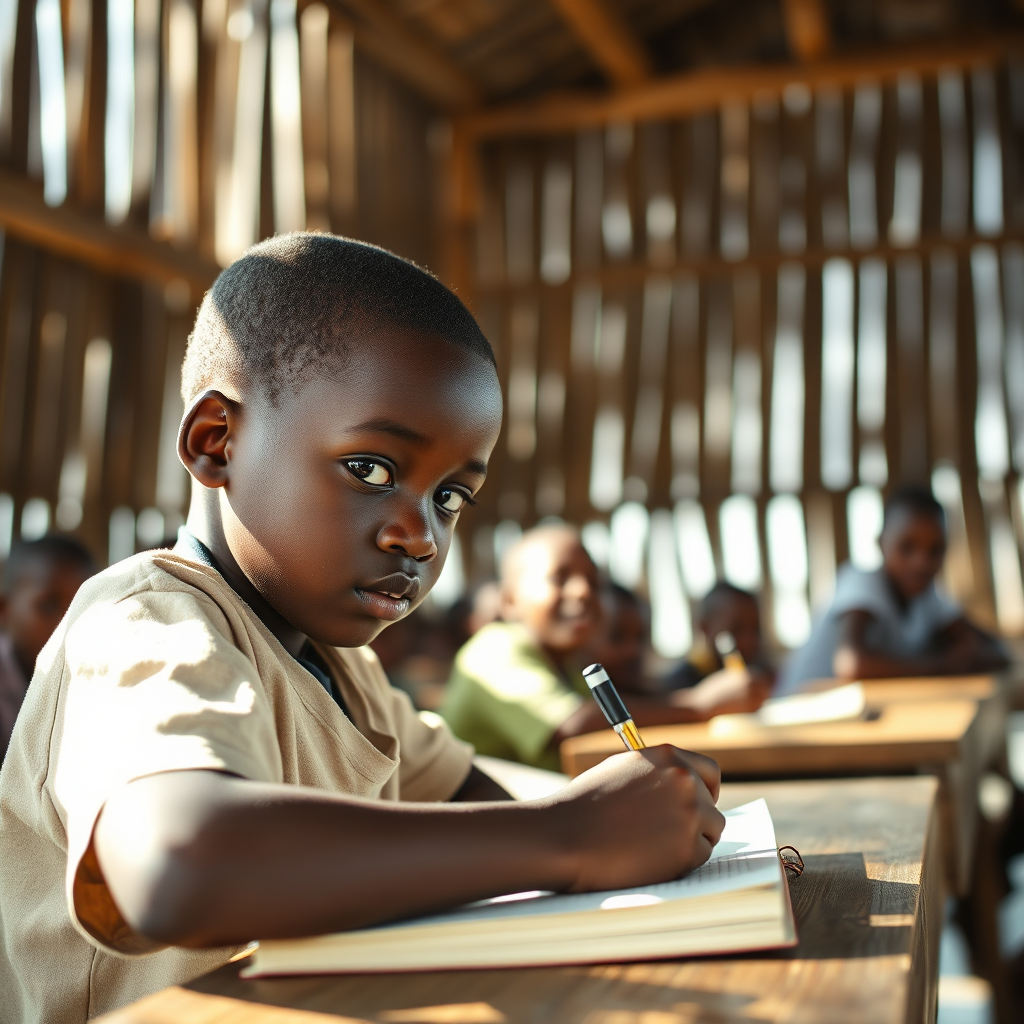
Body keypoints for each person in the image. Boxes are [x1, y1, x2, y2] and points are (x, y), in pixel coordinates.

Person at [0, 234, 725, 1024]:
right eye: (372, 469)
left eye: (450, 497)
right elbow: (180, 867)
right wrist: (573, 834)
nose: (421, 536)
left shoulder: (345, 675)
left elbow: (467, 802)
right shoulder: (146, 620)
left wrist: (612, 824)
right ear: (217, 442)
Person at [441, 524, 768, 771]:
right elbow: (574, 724)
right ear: (510, 600)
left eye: (594, 582)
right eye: (560, 577)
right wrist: (698, 705)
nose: (584, 591)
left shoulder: (564, 663)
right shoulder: (495, 650)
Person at [776, 484, 1008, 695]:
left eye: (935, 550)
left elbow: (998, 650)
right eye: (907, 547)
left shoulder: (930, 599)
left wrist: (964, 654)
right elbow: (852, 665)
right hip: (794, 710)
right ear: (881, 544)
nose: (921, 562)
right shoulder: (862, 582)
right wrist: (942, 664)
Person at [0, 535, 95, 760]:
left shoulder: (88, 680)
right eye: (49, 606)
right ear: (4, 609)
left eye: (81, 608)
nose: (67, 623)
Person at [665, 581, 773, 692]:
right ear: (704, 628)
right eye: (736, 629)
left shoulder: (760, 670)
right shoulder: (680, 685)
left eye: (755, 629)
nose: (749, 641)